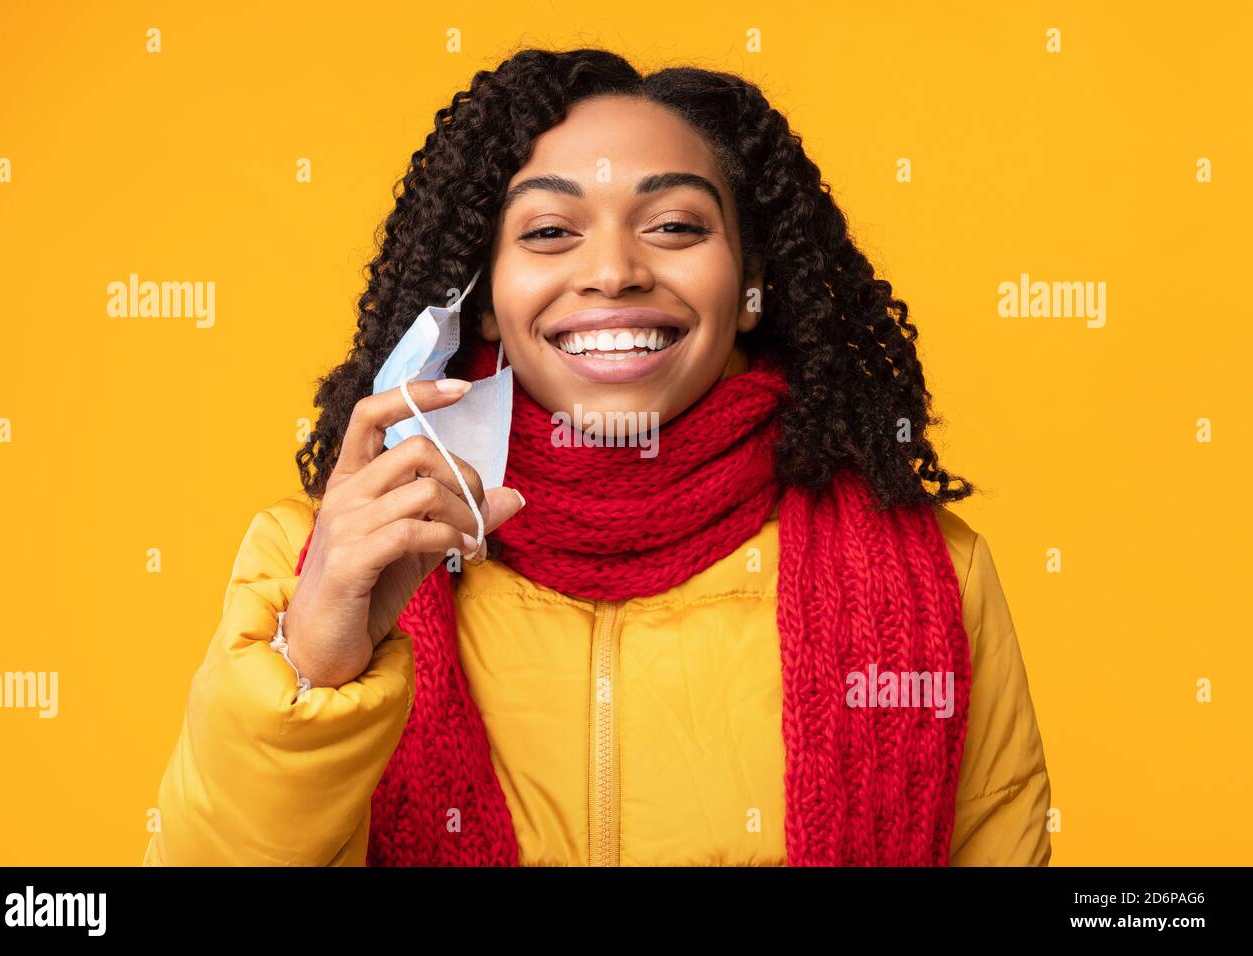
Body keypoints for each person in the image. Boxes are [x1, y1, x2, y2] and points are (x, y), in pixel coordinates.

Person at [143, 48, 1051, 867]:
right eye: (548, 233)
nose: (613, 270)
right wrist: (314, 664)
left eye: (675, 227)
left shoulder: (939, 574)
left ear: (751, 288)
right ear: (485, 299)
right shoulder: (308, 569)